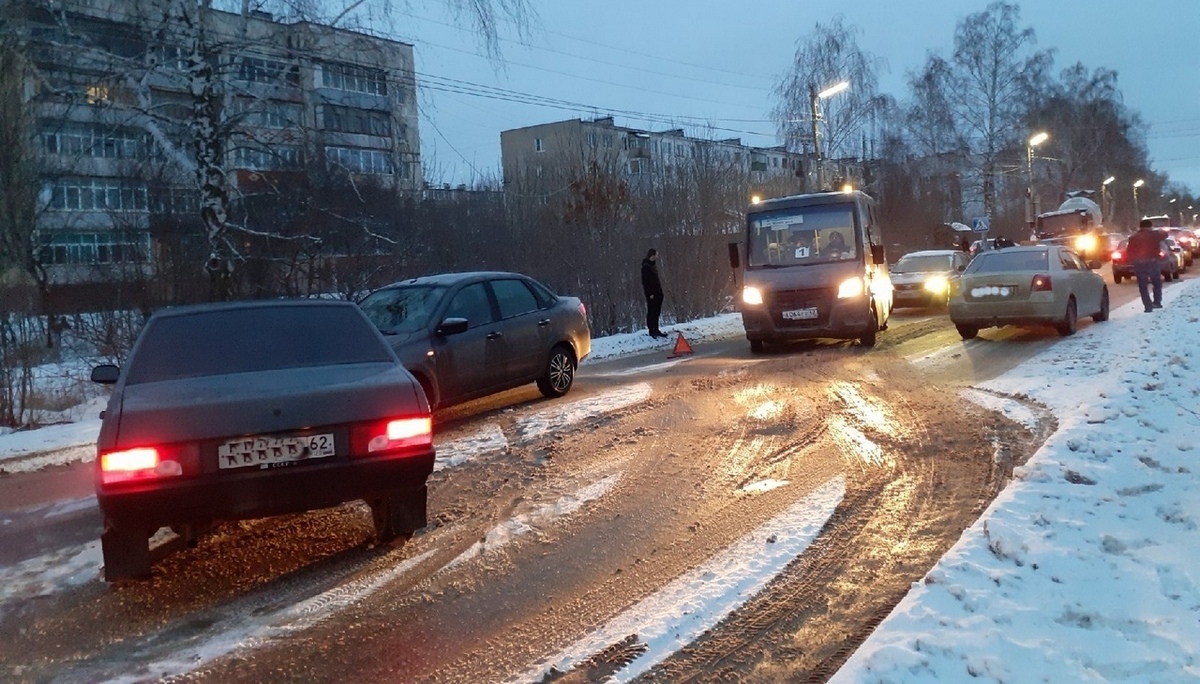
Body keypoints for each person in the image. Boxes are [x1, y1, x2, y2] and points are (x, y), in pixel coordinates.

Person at [1126, 218, 1166, 313]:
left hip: (1139, 264)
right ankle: (1157, 302)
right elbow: (1165, 235)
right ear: (1150, 226)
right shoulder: (1155, 235)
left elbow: (1129, 251)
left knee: (1142, 285)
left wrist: (1133, 260)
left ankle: (1147, 306)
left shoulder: (1133, 237)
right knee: (1156, 283)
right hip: (1153, 262)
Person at [641, 248, 667, 338]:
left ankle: (656, 329)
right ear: (652, 255)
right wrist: (650, 293)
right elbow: (646, 282)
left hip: (657, 292)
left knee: (656, 312)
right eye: (656, 254)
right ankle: (651, 330)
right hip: (652, 294)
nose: (657, 256)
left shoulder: (652, 265)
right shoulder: (646, 267)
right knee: (652, 311)